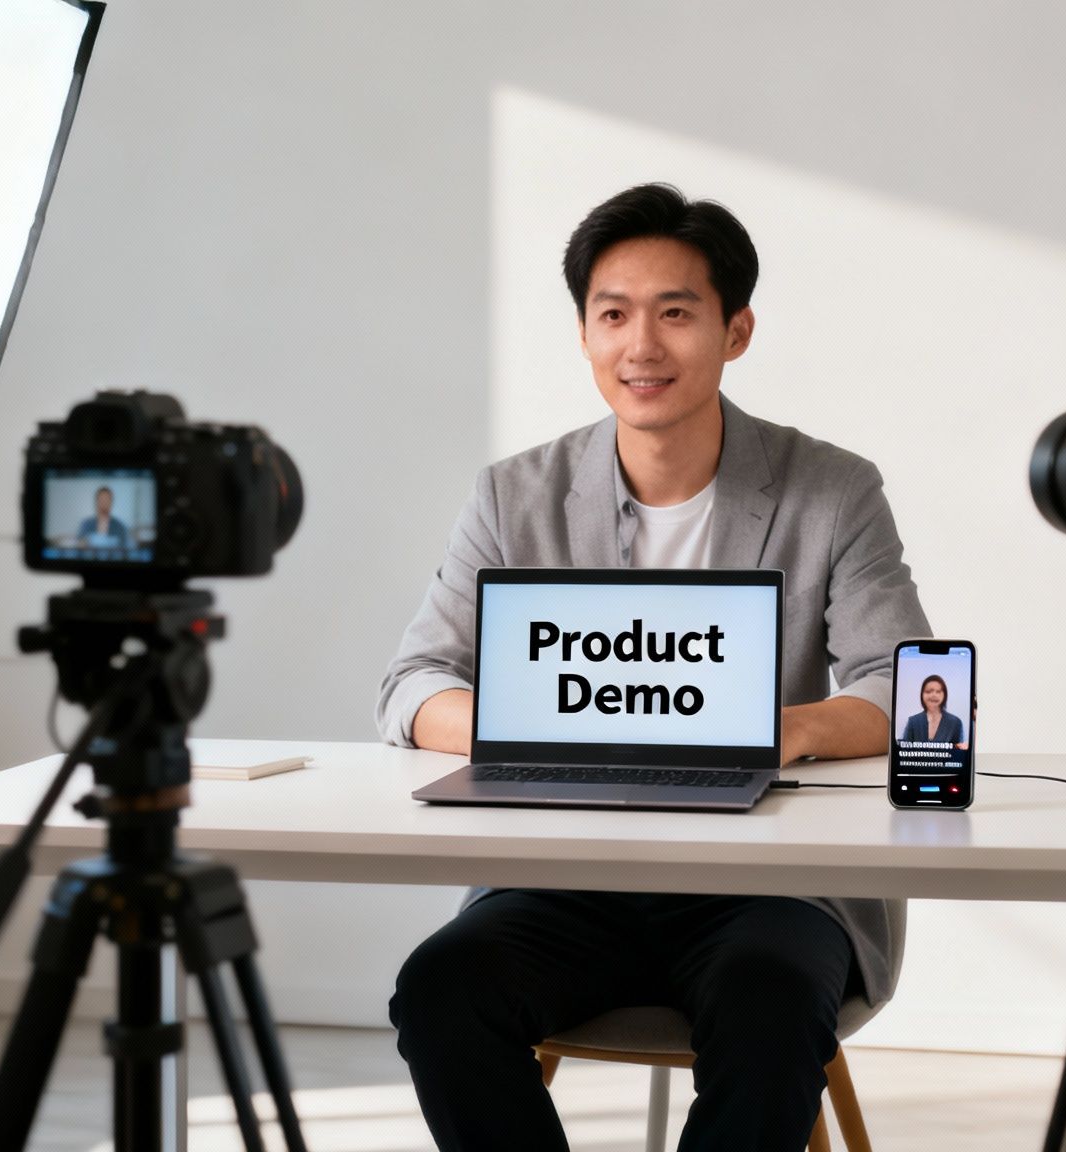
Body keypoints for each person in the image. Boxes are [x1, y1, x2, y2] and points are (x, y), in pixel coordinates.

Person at [376, 183, 932, 1151]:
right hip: (562, 877)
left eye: (675, 313)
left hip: (771, 885)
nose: (642, 346)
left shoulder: (833, 489)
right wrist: (548, 723)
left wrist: (770, 730)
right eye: (612, 314)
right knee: (439, 992)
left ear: (735, 330)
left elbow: (899, 687)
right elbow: (413, 684)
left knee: (767, 1007)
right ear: (585, 333)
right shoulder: (514, 494)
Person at [900, 673, 964, 746]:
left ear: (944, 695)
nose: (934, 695)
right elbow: (904, 750)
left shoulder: (955, 723)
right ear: (922, 695)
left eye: (938, 691)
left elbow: (959, 753)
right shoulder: (913, 721)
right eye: (928, 691)